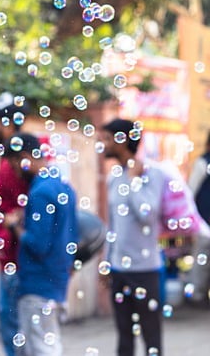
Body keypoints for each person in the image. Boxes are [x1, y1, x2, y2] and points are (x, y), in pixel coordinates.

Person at [3, 133, 78, 356]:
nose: (15, 173)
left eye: (14, 165)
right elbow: (69, 234)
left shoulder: (40, 192)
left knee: (42, 348)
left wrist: (14, 225)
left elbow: (37, 244)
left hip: (38, 284)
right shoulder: (61, 185)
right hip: (56, 279)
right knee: (29, 347)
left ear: (24, 158)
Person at [100, 118, 165, 356]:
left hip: (145, 269)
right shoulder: (114, 177)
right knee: (124, 336)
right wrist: (106, 261)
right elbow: (113, 226)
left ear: (123, 140)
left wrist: (133, 180)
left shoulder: (151, 174)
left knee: (151, 337)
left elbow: (147, 215)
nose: (102, 144)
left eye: (107, 139)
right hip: (119, 268)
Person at [0, 91, 28, 356]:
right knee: (10, 322)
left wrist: (15, 220)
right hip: (8, 256)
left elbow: (34, 201)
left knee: (12, 324)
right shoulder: (8, 159)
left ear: (8, 125)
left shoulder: (17, 161)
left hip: (16, 257)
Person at [187, 130, 210, 306]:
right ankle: (198, 296)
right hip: (205, 222)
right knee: (202, 260)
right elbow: (190, 192)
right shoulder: (203, 162)